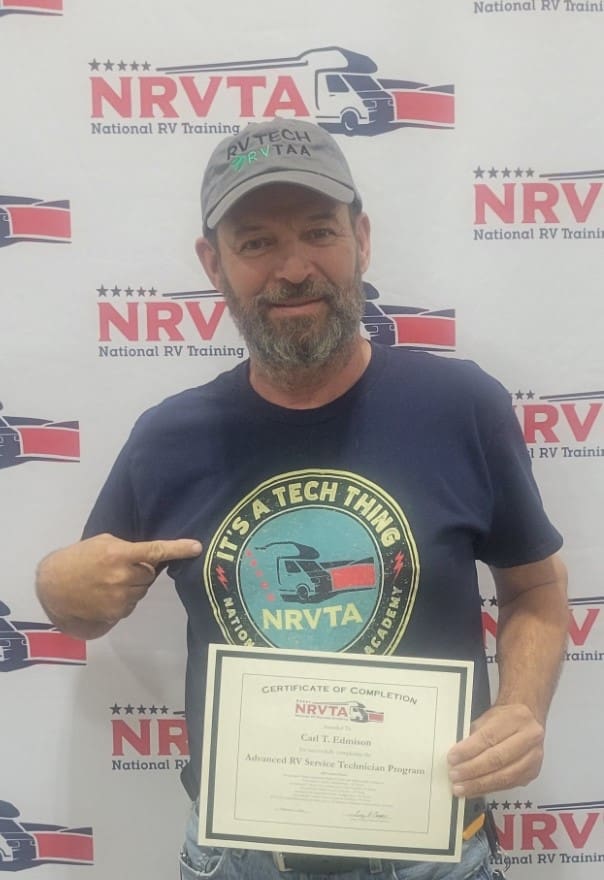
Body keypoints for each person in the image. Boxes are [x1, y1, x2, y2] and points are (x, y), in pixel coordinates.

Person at [35, 118, 568, 880]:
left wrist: (522, 707)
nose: (293, 268)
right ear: (212, 264)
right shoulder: (170, 436)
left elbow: (536, 585)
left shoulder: (461, 406)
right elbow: (81, 604)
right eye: (255, 243)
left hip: (433, 849)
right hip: (240, 855)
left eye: (319, 232)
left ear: (363, 240)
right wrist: (56, 584)